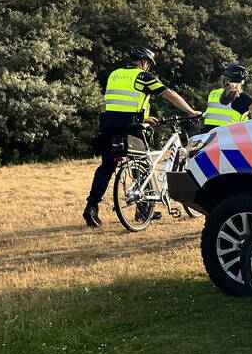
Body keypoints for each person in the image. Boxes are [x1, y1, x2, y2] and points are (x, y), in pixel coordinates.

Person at [83, 47, 202, 227]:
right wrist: (191, 112)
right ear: (145, 62)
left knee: (106, 166)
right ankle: (143, 211)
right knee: (143, 164)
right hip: (131, 126)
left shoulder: (114, 74)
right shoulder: (143, 76)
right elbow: (169, 95)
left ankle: (91, 206)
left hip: (108, 124)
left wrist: (145, 116)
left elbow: (120, 103)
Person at [201, 63, 252, 135]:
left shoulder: (213, 93)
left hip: (207, 139)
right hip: (228, 139)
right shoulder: (241, 96)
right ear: (242, 81)